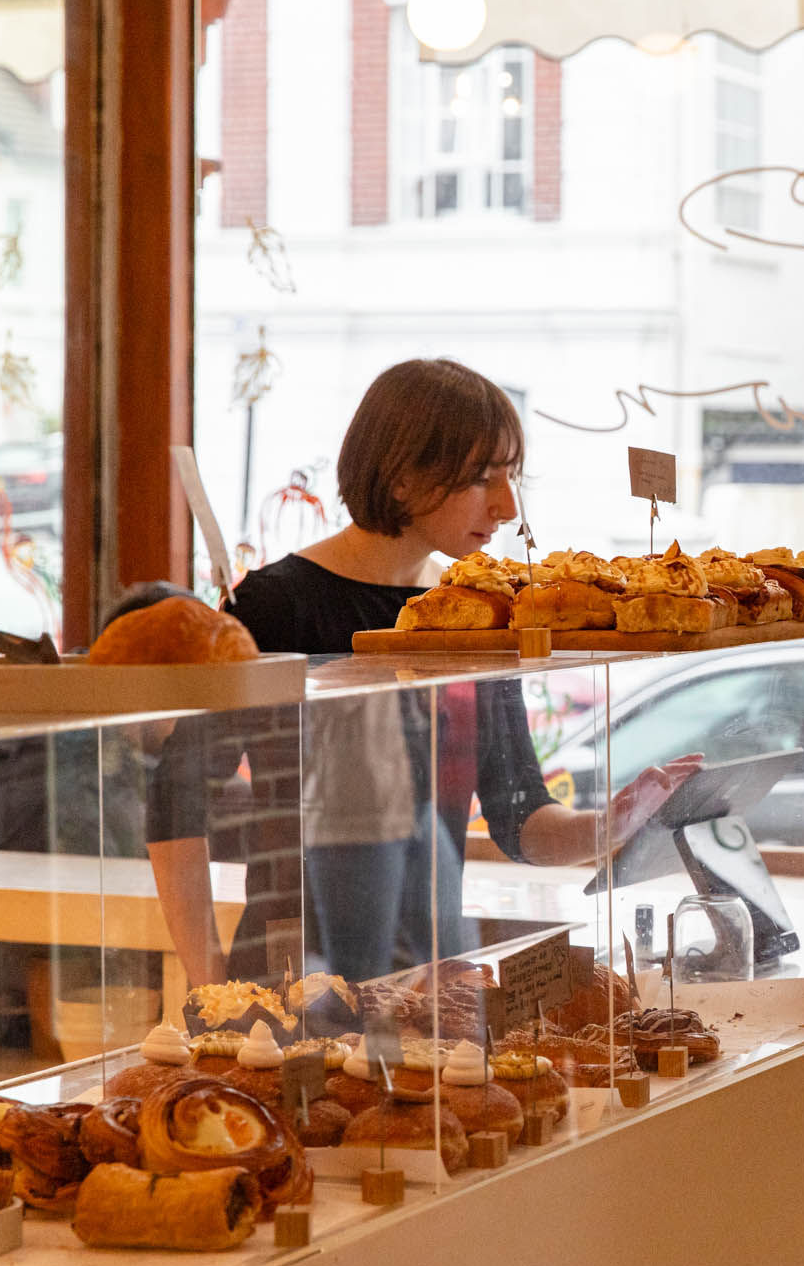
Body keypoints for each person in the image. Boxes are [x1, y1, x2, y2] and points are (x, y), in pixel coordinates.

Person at [147, 357, 699, 984]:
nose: (507, 505)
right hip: (293, 978)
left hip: (427, 974)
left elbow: (520, 819)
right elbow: (176, 802)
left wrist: (611, 825)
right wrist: (205, 980)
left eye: (511, 475)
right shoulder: (277, 604)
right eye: (481, 477)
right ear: (403, 477)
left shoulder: (480, 610)